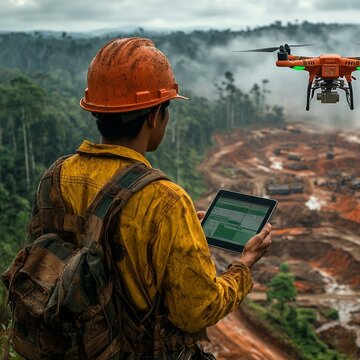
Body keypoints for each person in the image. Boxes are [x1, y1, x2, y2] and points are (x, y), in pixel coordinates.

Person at [70, 37, 271, 357]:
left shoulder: (57, 176)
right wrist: (244, 265)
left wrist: (179, 233)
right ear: (154, 117)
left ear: (97, 111)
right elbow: (198, 311)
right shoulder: (166, 201)